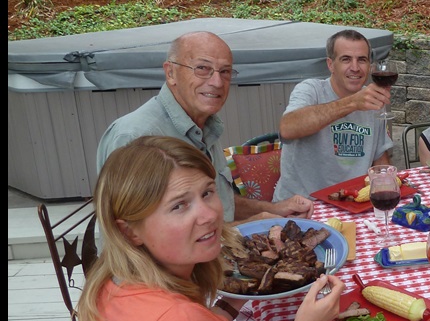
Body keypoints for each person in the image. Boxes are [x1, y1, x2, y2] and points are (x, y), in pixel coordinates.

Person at [77, 136, 347, 321]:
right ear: (130, 231)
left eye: (207, 192)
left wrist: (231, 303)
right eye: (179, 206)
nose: (209, 215)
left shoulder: (108, 284)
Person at [95, 31, 313, 224]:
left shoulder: (204, 125)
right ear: (170, 73)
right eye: (202, 68)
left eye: (225, 71)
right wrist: (251, 225)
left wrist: (274, 209)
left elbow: (222, 205)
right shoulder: (136, 138)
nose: (217, 82)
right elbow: (143, 242)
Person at [273, 29, 394, 200]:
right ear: (330, 65)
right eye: (346, 59)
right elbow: (288, 128)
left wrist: (389, 190)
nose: (355, 68)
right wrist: (352, 103)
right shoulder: (311, 90)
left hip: (352, 201)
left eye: (362, 60)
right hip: (303, 204)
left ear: (369, 65)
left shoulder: (371, 99)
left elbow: (380, 160)